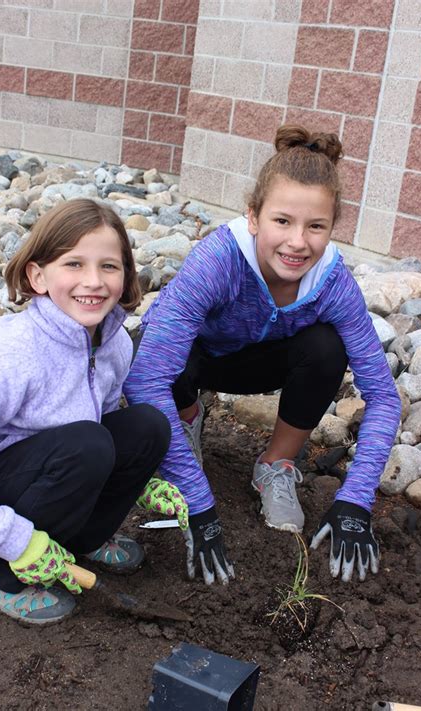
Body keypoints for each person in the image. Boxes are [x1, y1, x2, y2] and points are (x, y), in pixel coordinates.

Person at [124, 124, 401, 587]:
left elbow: (383, 396)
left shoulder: (334, 283)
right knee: (155, 352)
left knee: (326, 347)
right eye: (282, 221)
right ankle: (186, 426)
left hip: (265, 365)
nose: (298, 242)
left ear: (332, 228)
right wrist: (199, 500)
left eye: (316, 227)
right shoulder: (219, 260)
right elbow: (145, 377)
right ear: (253, 217)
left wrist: (357, 498)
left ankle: (276, 465)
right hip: (199, 361)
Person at [0, 198, 182, 625]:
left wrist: (140, 480)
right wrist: (16, 541)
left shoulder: (113, 342)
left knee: (147, 427)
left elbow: (105, 418)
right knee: (87, 444)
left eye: (109, 267)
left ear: (126, 275)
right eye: (73, 264)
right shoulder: (6, 351)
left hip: (61, 466)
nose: (93, 282)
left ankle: (77, 539)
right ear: (37, 276)